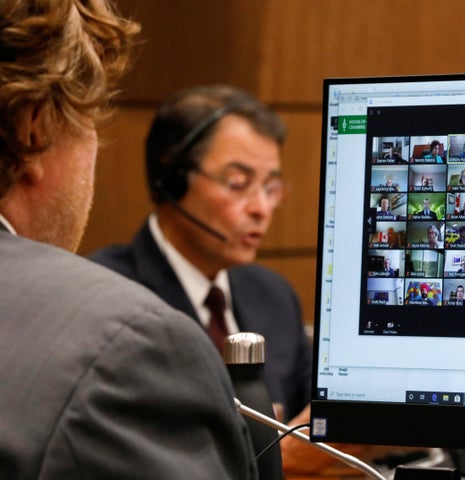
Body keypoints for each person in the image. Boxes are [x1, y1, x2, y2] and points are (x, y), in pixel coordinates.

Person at [0, 3, 258, 479]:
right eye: (91, 118)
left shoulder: (270, 295)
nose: (261, 207)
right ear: (33, 127)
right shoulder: (128, 346)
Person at [88, 86, 317, 474]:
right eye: (238, 183)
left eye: (271, 187)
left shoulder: (273, 295)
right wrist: (283, 458)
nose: (261, 209)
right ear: (171, 178)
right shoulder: (108, 297)